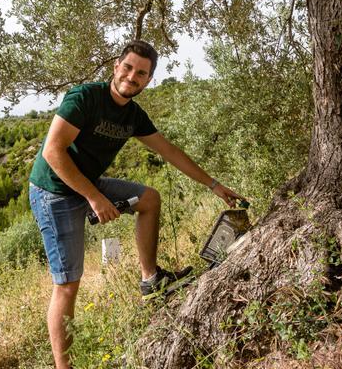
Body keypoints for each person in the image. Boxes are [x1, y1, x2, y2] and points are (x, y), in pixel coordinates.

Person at [28, 40, 244, 369]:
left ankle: (150, 279)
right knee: (68, 284)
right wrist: (95, 198)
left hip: (87, 184)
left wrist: (214, 186)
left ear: (148, 80)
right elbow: (53, 153)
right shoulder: (85, 98)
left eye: (141, 73)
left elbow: (169, 151)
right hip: (54, 190)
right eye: (128, 68)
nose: (132, 76)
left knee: (149, 199)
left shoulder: (133, 116)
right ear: (116, 67)